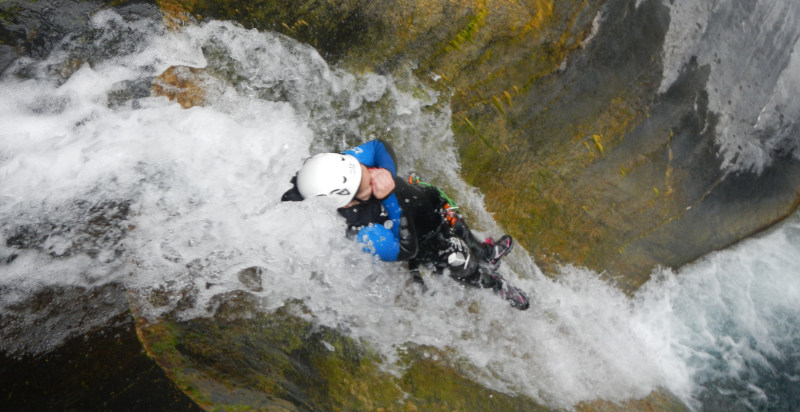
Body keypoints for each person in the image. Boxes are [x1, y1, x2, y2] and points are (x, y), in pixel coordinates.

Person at [281, 139, 529, 310]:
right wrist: (389, 196)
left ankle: (486, 253)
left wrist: (387, 174)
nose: (374, 176)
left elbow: (379, 146)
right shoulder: (361, 231)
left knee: (459, 227)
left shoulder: (345, 166)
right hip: (425, 242)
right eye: (367, 183)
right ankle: (495, 285)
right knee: (459, 261)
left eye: (365, 169)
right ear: (346, 201)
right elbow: (405, 250)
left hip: (428, 203)